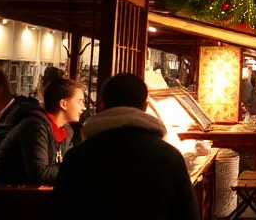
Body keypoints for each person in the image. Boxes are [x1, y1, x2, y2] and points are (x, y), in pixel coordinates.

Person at [54, 73, 198, 220]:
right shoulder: (170, 156)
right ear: (145, 106)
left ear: (102, 105)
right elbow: (188, 213)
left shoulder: (77, 157)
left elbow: (62, 211)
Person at [0, 75, 85, 185]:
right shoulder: (36, 126)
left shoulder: (67, 131)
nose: (84, 107)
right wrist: (79, 166)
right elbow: (40, 174)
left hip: (26, 194)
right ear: (63, 104)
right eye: (79, 101)